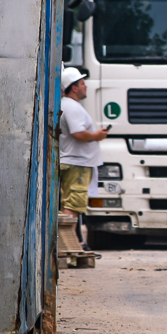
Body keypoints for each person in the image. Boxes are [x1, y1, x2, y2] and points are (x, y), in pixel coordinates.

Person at [59, 67, 108, 247]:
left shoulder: (67, 105)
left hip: (74, 162)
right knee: (72, 206)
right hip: (77, 163)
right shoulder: (72, 107)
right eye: (82, 83)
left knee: (71, 205)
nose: (86, 86)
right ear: (74, 88)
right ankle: (68, 249)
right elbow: (78, 133)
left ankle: (73, 245)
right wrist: (97, 136)